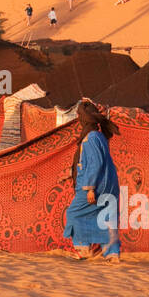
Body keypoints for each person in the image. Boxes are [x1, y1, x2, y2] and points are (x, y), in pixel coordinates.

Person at [63, 99, 122, 261]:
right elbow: (89, 162)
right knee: (106, 217)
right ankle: (112, 254)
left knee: (74, 213)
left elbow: (95, 163)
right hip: (108, 183)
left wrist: (90, 188)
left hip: (96, 185)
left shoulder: (91, 138)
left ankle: (83, 249)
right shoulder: (98, 136)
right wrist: (70, 173)